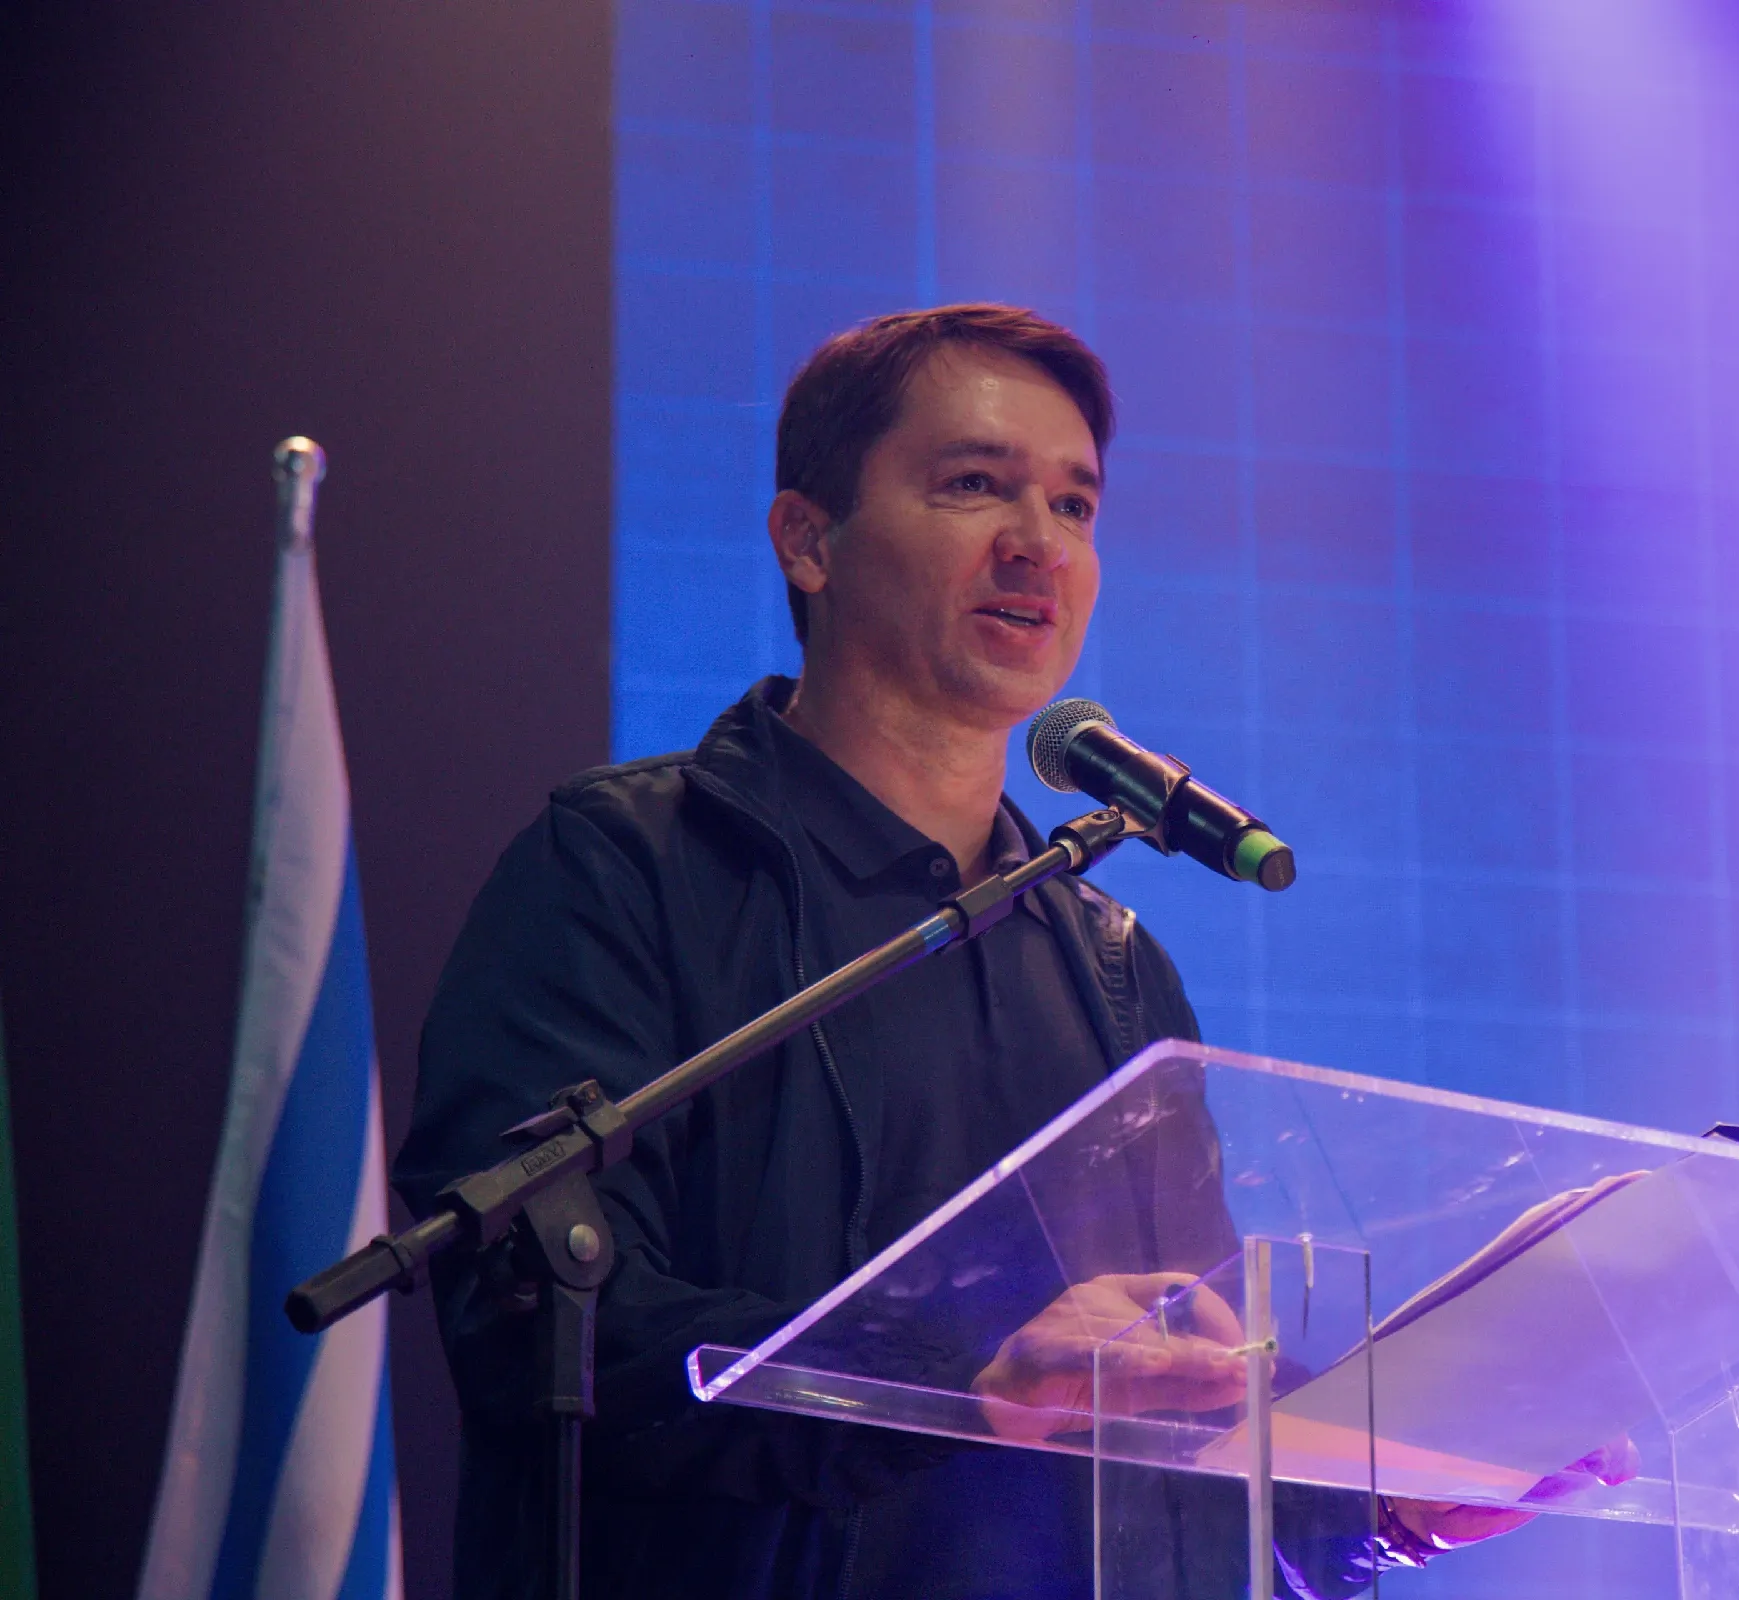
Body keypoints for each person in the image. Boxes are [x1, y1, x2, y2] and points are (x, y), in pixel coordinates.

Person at [393, 305, 1522, 1599]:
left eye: (1075, 505)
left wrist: (1388, 1491)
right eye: (976, 484)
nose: (1040, 541)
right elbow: (546, 1321)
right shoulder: (627, 867)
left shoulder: (1113, 971)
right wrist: (965, 1371)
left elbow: (1180, 1418)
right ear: (807, 540)